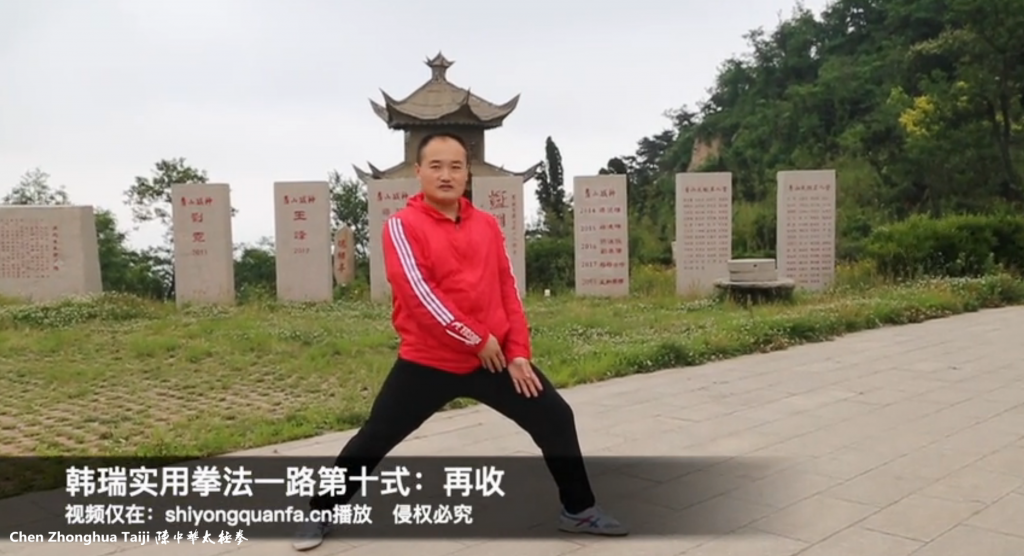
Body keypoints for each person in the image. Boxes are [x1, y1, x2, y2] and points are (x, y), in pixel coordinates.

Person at [292, 132, 627, 551]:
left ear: (468, 173)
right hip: (428, 361)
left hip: (493, 359)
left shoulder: (486, 225)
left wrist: (518, 353)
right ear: (418, 172)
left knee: (555, 416)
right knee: (374, 438)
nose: (446, 175)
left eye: (456, 166)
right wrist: (475, 338)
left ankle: (578, 510)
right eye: (436, 166)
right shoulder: (402, 227)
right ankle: (320, 511)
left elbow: (507, 290)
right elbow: (420, 295)